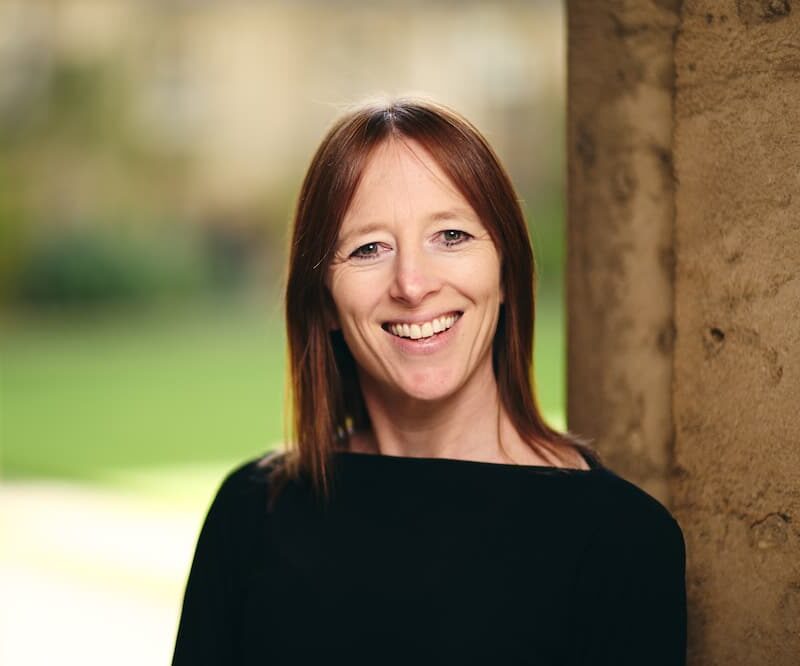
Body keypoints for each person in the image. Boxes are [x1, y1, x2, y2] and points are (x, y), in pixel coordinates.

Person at [171, 98, 687, 666]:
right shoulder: (250, 515)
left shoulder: (622, 540)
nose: (413, 285)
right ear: (323, 304)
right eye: (369, 248)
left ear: (507, 271)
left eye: (451, 236)